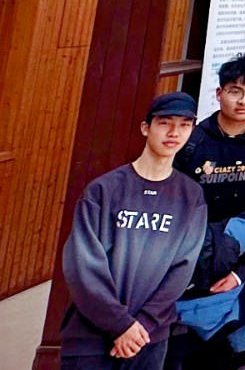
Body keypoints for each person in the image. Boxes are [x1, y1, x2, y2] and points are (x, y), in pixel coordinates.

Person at [60, 92, 206, 370]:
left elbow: (182, 269)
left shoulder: (191, 196)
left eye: (184, 125)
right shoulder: (103, 190)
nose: (174, 132)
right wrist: (120, 325)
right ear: (145, 128)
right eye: (165, 123)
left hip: (149, 338)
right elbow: (82, 265)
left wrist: (142, 325)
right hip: (90, 336)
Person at [170, 56, 245, 368]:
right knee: (182, 353)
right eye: (235, 91)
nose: (244, 100)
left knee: (231, 352)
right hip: (191, 266)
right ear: (219, 93)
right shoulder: (193, 141)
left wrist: (241, 272)